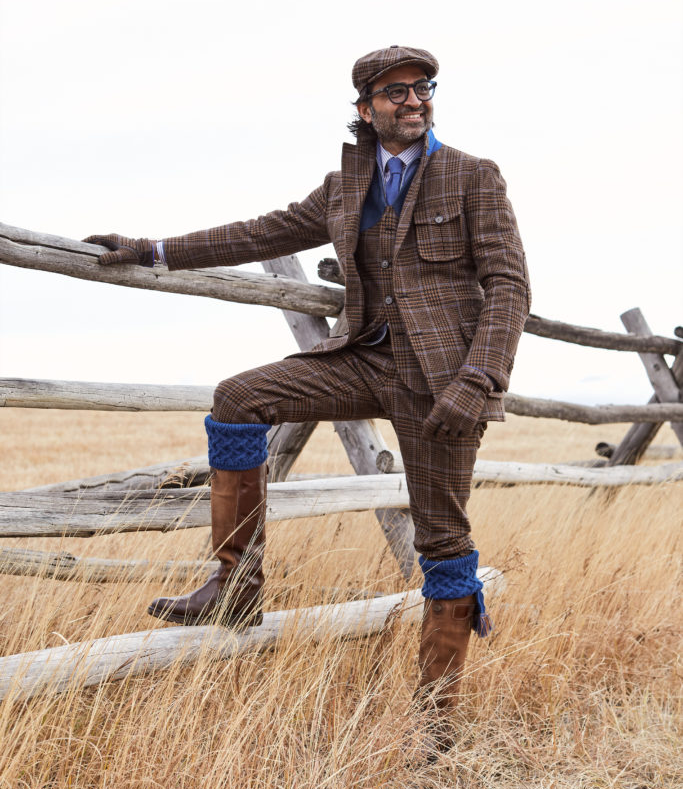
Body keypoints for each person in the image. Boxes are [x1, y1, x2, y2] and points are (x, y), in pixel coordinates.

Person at [85, 45, 530, 737]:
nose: (413, 100)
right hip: (363, 357)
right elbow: (258, 232)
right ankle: (234, 587)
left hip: (444, 385)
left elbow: (508, 285)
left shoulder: (472, 177)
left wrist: (479, 379)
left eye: (422, 88)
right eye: (395, 92)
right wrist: (154, 249)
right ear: (365, 108)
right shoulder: (343, 185)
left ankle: (436, 721)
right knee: (238, 397)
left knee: (442, 542)